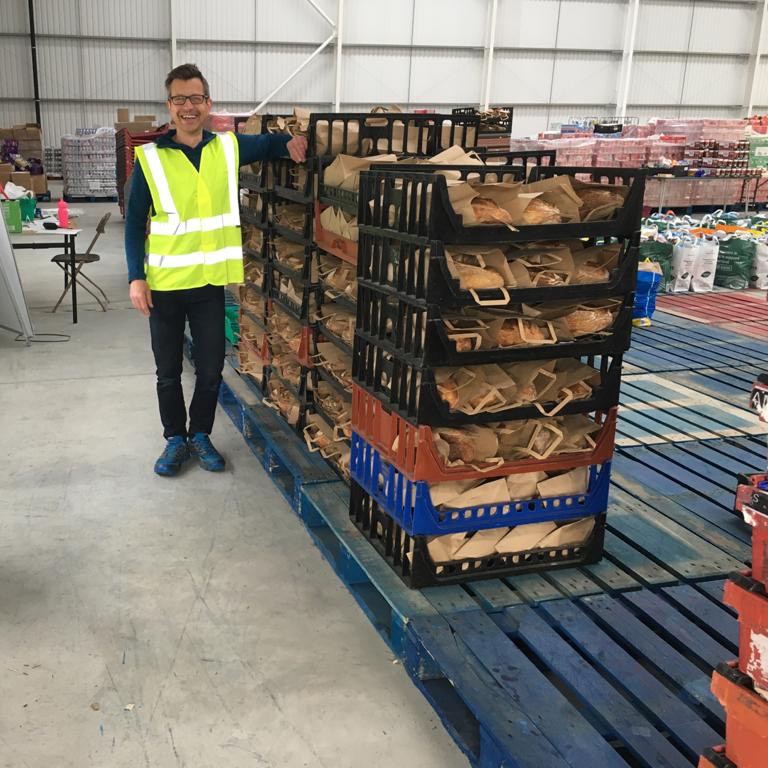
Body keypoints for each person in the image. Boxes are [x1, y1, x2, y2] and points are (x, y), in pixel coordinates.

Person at [125, 63, 307, 477]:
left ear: (208, 104)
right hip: (165, 286)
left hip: (208, 285)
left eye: (196, 99)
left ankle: (201, 434)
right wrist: (136, 276)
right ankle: (175, 438)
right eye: (179, 100)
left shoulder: (226, 147)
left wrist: (291, 143)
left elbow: (266, 144)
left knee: (210, 370)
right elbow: (136, 223)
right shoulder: (150, 159)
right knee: (167, 372)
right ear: (169, 106)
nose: (188, 107)